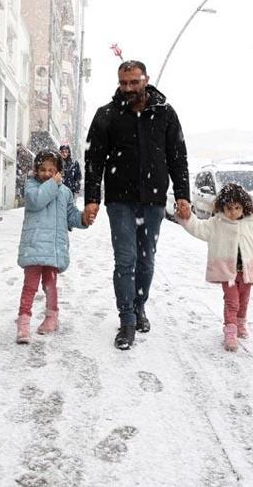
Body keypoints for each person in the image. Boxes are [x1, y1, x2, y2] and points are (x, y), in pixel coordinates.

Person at [84, 60, 191, 350]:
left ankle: (139, 305)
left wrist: (183, 195)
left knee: (146, 260)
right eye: (123, 83)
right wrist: (92, 199)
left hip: (154, 201)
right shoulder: (106, 115)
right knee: (125, 260)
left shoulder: (165, 113)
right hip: (120, 201)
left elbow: (177, 156)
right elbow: (93, 161)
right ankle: (127, 320)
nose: (128, 88)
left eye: (133, 82)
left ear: (146, 79)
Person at [176, 184, 253, 351]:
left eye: (237, 208)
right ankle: (230, 329)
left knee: (243, 301)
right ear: (222, 207)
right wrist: (186, 217)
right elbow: (198, 228)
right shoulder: (216, 224)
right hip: (227, 273)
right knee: (232, 301)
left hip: (247, 272)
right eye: (229, 208)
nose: (233, 212)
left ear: (244, 207)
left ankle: (241, 323)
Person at [15, 149, 88, 343]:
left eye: (51, 170)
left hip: (54, 247)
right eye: (43, 169)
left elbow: (70, 215)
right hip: (34, 245)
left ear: (58, 170)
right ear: (36, 170)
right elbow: (37, 201)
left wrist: (83, 218)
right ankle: (23, 322)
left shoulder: (64, 192)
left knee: (50, 285)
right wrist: (53, 184)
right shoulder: (31, 187)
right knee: (30, 286)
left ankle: (51, 317)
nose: (47, 173)